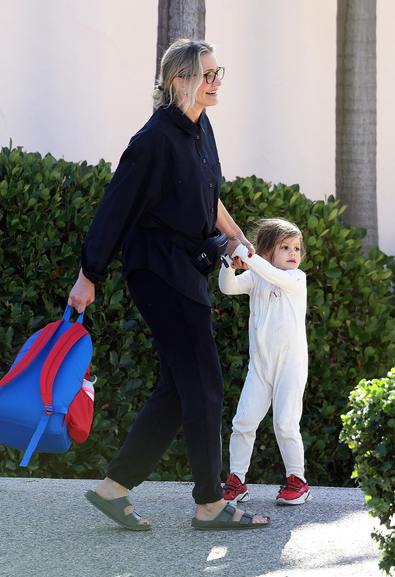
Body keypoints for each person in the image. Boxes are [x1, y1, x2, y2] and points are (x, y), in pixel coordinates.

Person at [68, 38, 270, 531]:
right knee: (205, 383)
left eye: (219, 73)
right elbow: (115, 207)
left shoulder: (201, 128)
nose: (216, 82)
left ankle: (114, 488)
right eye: (207, 74)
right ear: (179, 81)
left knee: (180, 388)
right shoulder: (154, 139)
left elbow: (207, 196)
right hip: (159, 271)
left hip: (184, 268)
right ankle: (210, 504)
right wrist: (88, 275)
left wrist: (237, 239)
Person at [219, 218, 311, 505]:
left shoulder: (296, 278)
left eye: (296, 248)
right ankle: (237, 481)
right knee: (243, 421)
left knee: (285, 423)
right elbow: (228, 288)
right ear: (267, 250)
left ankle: (298, 481)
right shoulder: (256, 277)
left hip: (290, 366)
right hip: (260, 367)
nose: (293, 253)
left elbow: (271, 273)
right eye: (285, 247)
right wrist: (229, 263)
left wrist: (245, 254)